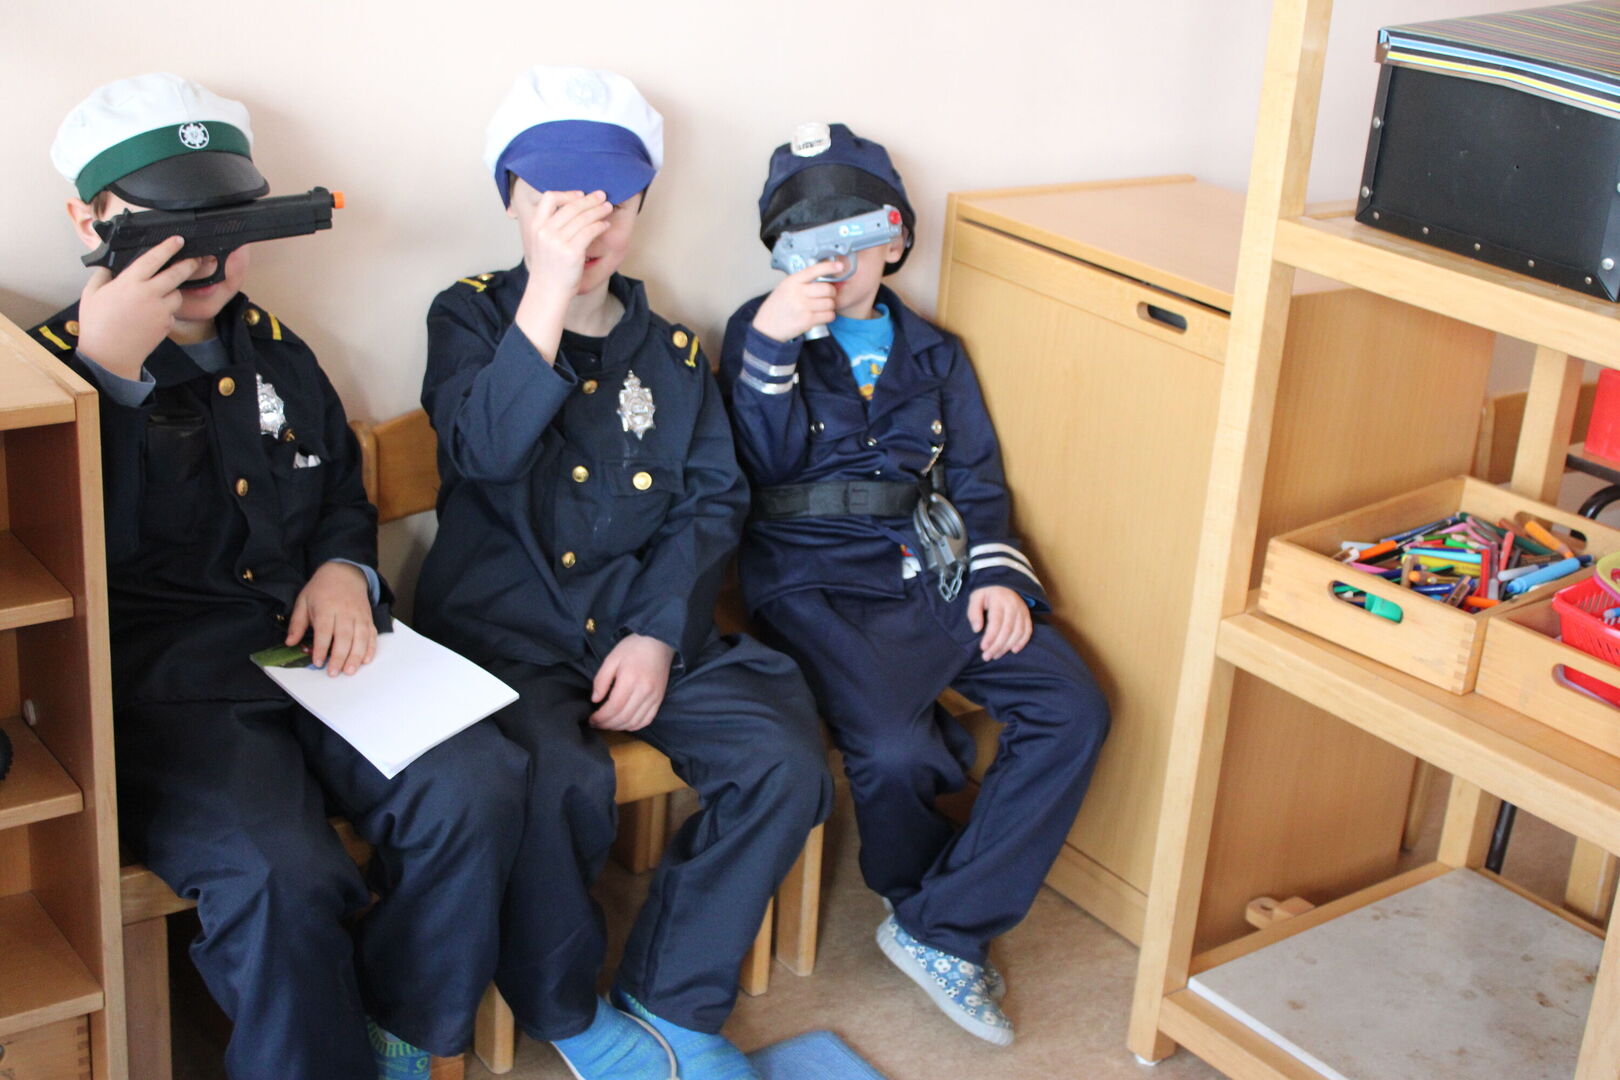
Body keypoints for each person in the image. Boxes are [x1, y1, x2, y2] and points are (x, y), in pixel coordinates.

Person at [29, 73, 528, 1080]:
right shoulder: (50, 373)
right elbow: (63, 559)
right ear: (89, 222)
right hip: (172, 689)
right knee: (279, 874)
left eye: (228, 225)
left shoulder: (276, 353)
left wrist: (346, 569)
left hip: (310, 648)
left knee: (476, 784)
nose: (205, 257)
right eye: (169, 230)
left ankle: (399, 1027)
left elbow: (336, 485)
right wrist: (105, 380)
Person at [415, 67, 832, 1080]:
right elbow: (483, 451)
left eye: (609, 205)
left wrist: (655, 633)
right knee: (551, 779)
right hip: (508, 635)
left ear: (643, 206)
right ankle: (565, 1010)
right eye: (553, 205)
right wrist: (548, 293)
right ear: (510, 203)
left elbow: (709, 503)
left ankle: (675, 995)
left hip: (641, 622)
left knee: (783, 756)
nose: (585, 228)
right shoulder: (469, 318)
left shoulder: (675, 354)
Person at [719, 122, 1111, 1047]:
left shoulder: (936, 353)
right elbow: (755, 467)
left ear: (894, 242)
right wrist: (774, 342)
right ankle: (926, 902)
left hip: (931, 562)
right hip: (811, 578)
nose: (836, 259)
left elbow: (975, 476)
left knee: (1072, 704)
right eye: (809, 240)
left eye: (856, 235)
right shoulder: (759, 332)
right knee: (896, 749)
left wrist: (996, 575)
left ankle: (939, 924)